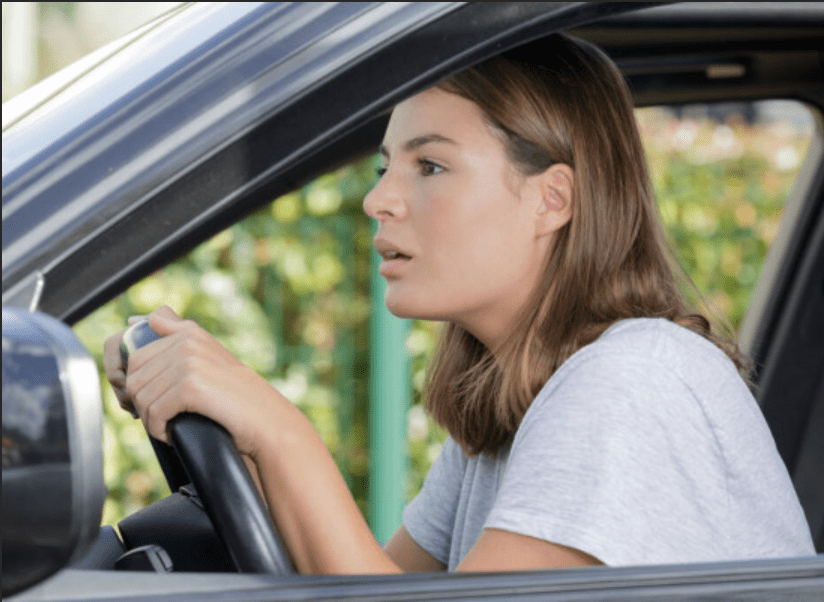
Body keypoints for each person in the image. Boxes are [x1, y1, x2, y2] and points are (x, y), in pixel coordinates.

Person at [104, 34, 814, 573]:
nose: (378, 199)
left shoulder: (632, 383)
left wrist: (281, 432)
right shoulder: (514, 407)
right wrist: (229, 423)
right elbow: (375, 582)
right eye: (387, 167)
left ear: (551, 199)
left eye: (431, 165)